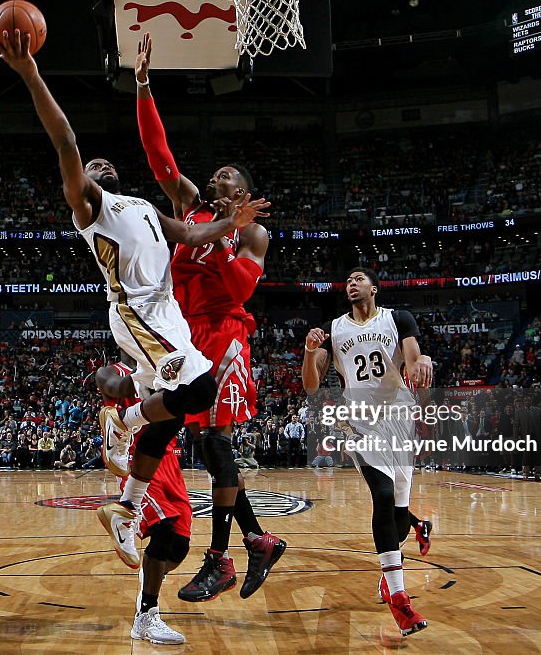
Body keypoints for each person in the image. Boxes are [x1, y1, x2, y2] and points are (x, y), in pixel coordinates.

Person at [0, 28, 268, 569]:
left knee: (171, 421)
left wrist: (230, 229)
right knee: (196, 394)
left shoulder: (143, 206)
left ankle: (126, 508)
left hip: (172, 317)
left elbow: (189, 237)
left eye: (102, 165)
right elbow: (71, 143)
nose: (98, 167)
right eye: (90, 169)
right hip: (140, 312)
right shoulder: (91, 205)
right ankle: (124, 424)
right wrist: (33, 74)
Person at [125, 33, 286, 602]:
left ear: (243, 192)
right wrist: (143, 85)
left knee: (219, 445)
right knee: (209, 449)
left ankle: (222, 557)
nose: (214, 178)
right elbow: (158, 155)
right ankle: (258, 541)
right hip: (185, 335)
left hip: (226, 333)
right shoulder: (190, 205)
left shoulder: (253, 232)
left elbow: (240, 286)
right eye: (213, 175)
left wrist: (224, 236)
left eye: (225, 177)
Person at [301, 268, 432, 637]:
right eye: (348, 281)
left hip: (400, 419)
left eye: (359, 279)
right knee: (384, 496)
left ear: (374, 288)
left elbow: (411, 356)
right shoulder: (334, 328)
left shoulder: (397, 318)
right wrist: (310, 352)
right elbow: (311, 386)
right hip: (361, 423)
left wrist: (420, 362)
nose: (351, 284)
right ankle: (400, 598)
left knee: (400, 515)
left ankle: (414, 530)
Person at [98, 360, 190, 645]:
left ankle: (147, 588)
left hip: (171, 461)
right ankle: (146, 614)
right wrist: (150, 375)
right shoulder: (113, 372)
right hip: (140, 460)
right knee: (162, 532)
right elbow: (111, 385)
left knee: (179, 547)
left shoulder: (174, 362)